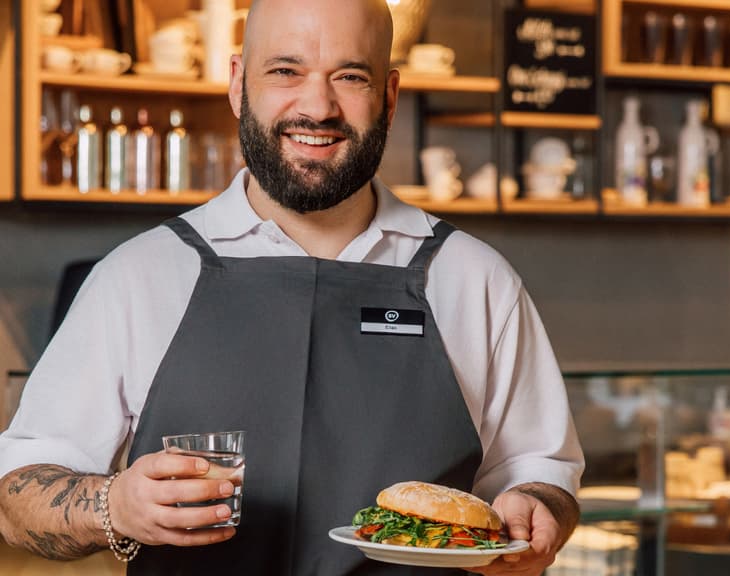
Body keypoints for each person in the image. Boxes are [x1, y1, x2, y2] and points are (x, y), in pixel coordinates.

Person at [0, 0, 583, 574]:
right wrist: (115, 507)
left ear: (389, 96)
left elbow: (540, 470)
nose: (317, 106)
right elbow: (16, 491)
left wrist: (537, 510)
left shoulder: (477, 280)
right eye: (285, 71)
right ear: (237, 83)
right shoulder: (139, 274)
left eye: (350, 76)